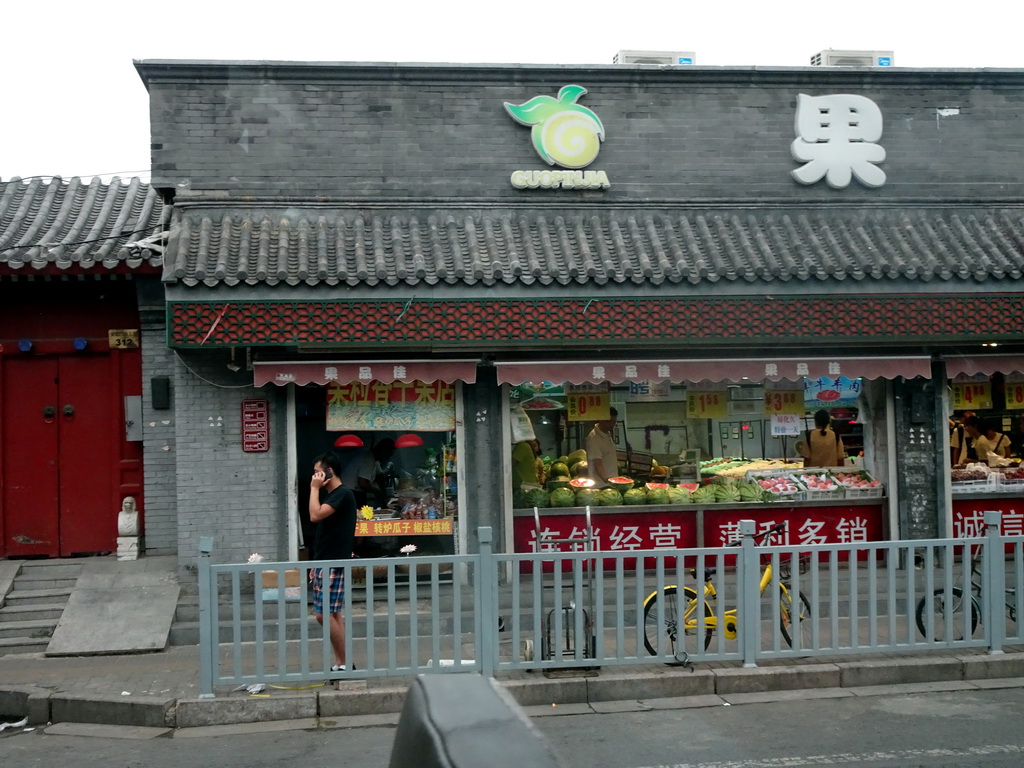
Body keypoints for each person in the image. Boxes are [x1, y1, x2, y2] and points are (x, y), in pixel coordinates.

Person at [309, 451, 358, 672]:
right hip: (325, 561)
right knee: (333, 613)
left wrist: (313, 489)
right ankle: (342, 662)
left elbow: (315, 515)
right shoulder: (335, 495)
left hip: (333, 562)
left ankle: (346, 663)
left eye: (318, 472)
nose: (315, 477)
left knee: (323, 615)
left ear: (330, 471)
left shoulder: (342, 494)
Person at [341, 438, 396, 507]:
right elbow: (362, 483)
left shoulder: (375, 460)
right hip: (351, 492)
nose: (389, 457)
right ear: (383, 451)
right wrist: (377, 492)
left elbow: (380, 476)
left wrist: (383, 491)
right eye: (389, 454)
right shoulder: (368, 459)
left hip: (354, 491)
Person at [586, 407, 619, 487]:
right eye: (609, 422)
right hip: (601, 486)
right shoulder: (594, 438)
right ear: (601, 419)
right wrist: (608, 481)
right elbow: (597, 463)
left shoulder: (607, 433)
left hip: (611, 483)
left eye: (614, 422)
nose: (612, 425)